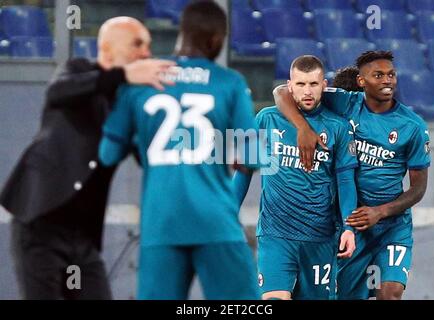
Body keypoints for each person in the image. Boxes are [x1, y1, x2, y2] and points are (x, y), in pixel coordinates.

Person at [0, 16, 175, 300]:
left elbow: (148, 155)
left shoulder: (127, 101)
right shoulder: (77, 71)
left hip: (82, 239)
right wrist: (123, 76)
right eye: (137, 44)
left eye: (148, 46)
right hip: (41, 225)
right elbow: (59, 91)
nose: (146, 53)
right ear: (107, 48)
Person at [99, 1, 259, 300]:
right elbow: (252, 156)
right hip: (215, 221)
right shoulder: (229, 82)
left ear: (181, 33)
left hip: (161, 223)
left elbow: (108, 154)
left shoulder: (142, 81)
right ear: (216, 40)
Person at [274, 51, 430, 300]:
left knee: (390, 292)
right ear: (361, 82)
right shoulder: (345, 104)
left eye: (391, 75)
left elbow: (418, 189)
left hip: (391, 225)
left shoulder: (413, 126)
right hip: (351, 221)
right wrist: (302, 128)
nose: (386, 80)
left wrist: (380, 212)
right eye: (377, 75)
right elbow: (282, 92)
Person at [234, 55, 357, 300]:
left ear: (324, 85)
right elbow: (244, 172)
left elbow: (345, 182)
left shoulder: (338, 128)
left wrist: (349, 227)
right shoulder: (266, 119)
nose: (307, 91)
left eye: (313, 84)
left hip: (320, 237)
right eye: (300, 84)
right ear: (290, 86)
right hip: (275, 234)